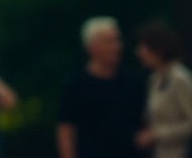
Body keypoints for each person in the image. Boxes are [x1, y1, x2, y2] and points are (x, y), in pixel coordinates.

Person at [57, 17, 147, 158]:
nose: (117, 46)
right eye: (109, 41)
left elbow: (147, 120)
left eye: (117, 40)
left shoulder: (134, 81)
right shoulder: (74, 85)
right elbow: (66, 130)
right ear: (91, 47)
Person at [133, 23, 192, 158]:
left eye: (143, 46)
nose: (139, 52)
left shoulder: (180, 79)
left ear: (157, 49)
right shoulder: (155, 79)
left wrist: (156, 134)